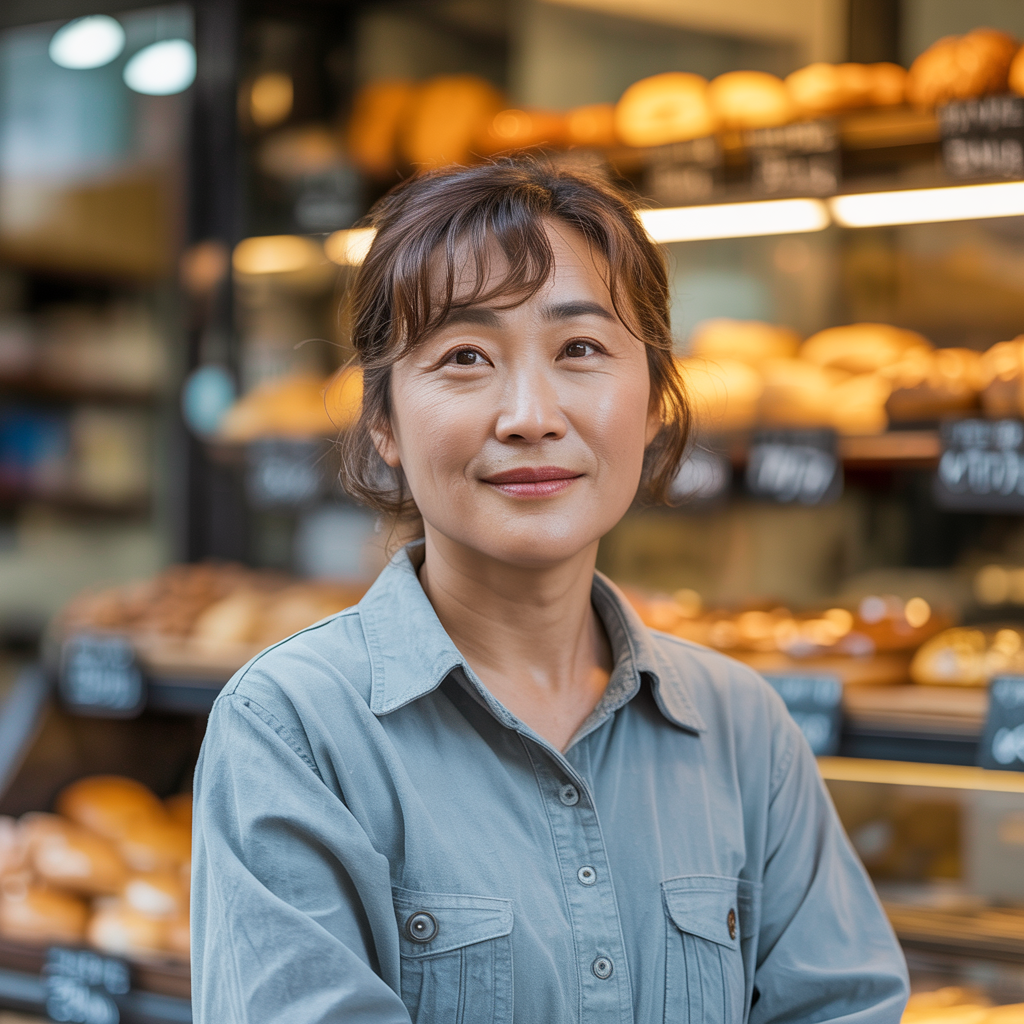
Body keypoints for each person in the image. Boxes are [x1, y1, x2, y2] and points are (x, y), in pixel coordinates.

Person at [191, 158, 909, 1023]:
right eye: (464, 356)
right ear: (381, 420)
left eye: (581, 349)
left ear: (651, 406)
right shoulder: (295, 729)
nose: (530, 414)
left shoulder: (742, 726)